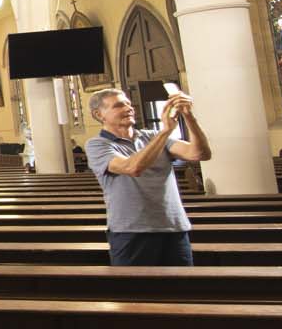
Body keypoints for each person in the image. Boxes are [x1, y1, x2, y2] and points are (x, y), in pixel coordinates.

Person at [83, 86, 212, 266]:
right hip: (131, 232)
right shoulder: (97, 145)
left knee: (183, 290)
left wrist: (189, 117)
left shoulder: (152, 136)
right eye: (119, 105)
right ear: (99, 114)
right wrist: (165, 131)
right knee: (137, 291)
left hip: (173, 226)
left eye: (129, 104)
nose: (129, 108)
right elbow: (133, 167)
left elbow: (199, 154)